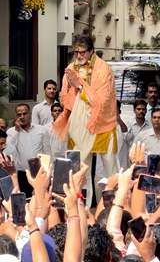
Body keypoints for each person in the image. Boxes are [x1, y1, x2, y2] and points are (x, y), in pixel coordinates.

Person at [54, 36, 118, 206]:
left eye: (82, 52)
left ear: (91, 51)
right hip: (79, 125)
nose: (79, 55)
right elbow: (64, 97)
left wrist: (80, 85)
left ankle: (115, 208)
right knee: (80, 170)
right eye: (76, 52)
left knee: (111, 169)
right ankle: (82, 208)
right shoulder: (70, 68)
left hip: (102, 124)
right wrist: (71, 88)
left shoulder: (103, 70)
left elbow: (102, 101)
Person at [5, 103, 50, 196]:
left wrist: (48, 173)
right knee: (24, 203)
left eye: (24, 114)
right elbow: (8, 153)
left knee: (39, 202)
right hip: (21, 175)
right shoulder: (11, 132)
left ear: (30, 114)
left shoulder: (42, 130)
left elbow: (47, 153)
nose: (22, 117)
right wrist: (16, 132)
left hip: (39, 173)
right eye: (19, 114)